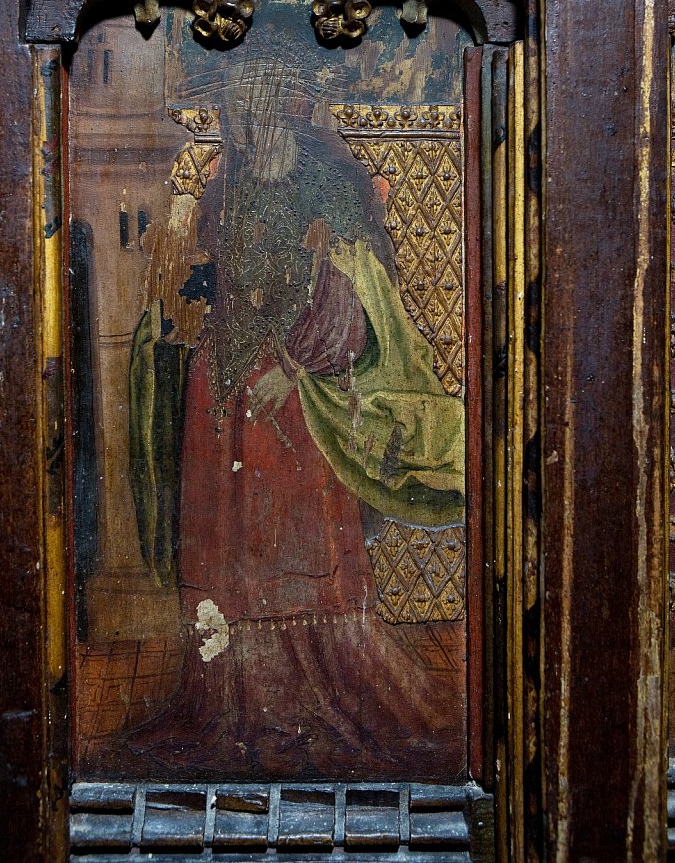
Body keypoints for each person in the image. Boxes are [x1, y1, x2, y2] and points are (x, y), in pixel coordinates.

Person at [126, 38, 468, 780]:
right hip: (221, 391)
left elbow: (358, 285)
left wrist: (292, 361)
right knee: (229, 545)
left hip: (295, 397)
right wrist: (185, 302)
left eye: (254, 102)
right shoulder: (223, 187)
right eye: (234, 105)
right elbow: (212, 278)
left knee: (297, 544)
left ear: (286, 102)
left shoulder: (329, 185)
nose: (242, 119)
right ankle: (233, 701)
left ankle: (315, 697)